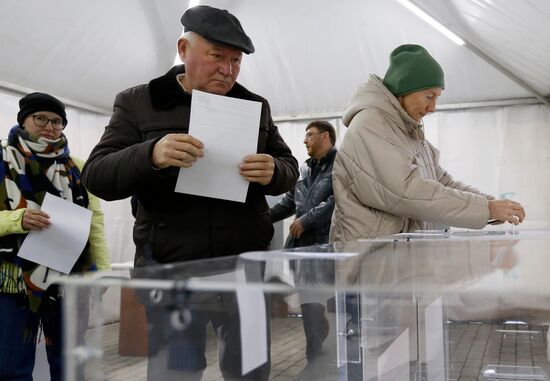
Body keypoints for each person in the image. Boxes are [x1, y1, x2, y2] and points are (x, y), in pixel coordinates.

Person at [81, 5, 298, 381]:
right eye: (217, 57)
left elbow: (288, 167)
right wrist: (150, 153)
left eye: (235, 61)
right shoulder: (138, 101)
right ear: (184, 50)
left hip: (242, 270)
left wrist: (274, 170)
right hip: (172, 272)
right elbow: (97, 175)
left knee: (251, 371)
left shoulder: (254, 105)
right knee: (175, 374)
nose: (227, 70)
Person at [330, 44, 526, 242]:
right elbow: (407, 191)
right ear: (403, 88)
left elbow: (440, 181)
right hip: (369, 258)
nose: (432, 107)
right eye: (429, 96)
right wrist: (485, 209)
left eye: (437, 98)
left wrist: (488, 204)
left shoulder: (406, 131)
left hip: (397, 257)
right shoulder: (370, 125)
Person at [0, 92, 109, 381]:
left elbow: (94, 222)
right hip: (13, 280)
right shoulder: (3, 160)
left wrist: (103, 271)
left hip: (68, 278)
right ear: (23, 119)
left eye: (58, 121)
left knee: (70, 364)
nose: (50, 126)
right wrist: (17, 219)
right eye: (41, 118)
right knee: (12, 366)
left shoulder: (77, 166)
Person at [269, 120, 336, 362]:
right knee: (308, 300)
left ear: (325, 137)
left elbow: (336, 201)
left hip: (325, 246)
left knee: (322, 298)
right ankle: (314, 352)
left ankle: (322, 351)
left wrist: (306, 220)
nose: (305, 139)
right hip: (299, 247)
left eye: (310, 134)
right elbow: (289, 202)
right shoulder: (304, 170)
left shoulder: (341, 166)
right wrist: (262, 219)